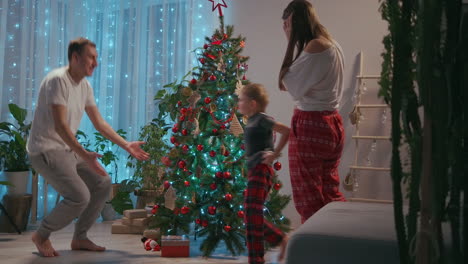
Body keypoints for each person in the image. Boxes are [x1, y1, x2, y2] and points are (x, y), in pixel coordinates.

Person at [27, 37, 150, 257]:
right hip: (45, 149)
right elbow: (61, 126)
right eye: (91, 57)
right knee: (79, 196)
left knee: (103, 182)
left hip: (66, 149)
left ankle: (80, 237)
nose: (96, 62)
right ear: (75, 58)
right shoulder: (57, 80)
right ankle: (42, 235)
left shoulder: (84, 85)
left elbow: (99, 122)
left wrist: (126, 144)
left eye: (96, 58)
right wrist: (84, 154)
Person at [279, 0, 346, 224]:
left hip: (311, 124)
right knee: (329, 191)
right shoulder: (332, 44)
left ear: (293, 22)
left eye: (287, 24)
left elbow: (287, 83)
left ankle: (316, 247)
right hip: (332, 123)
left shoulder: (315, 46)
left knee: (307, 195)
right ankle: (339, 239)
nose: (285, 29)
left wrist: (290, 42)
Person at [237, 83, 290, 264]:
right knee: (251, 213)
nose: (239, 103)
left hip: (262, 169)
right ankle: (279, 240)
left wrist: (275, 154)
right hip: (254, 170)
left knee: (252, 211)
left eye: (241, 100)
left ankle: (259, 257)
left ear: (252, 103)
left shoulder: (262, 119)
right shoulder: (251, 121)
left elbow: (286, 131)